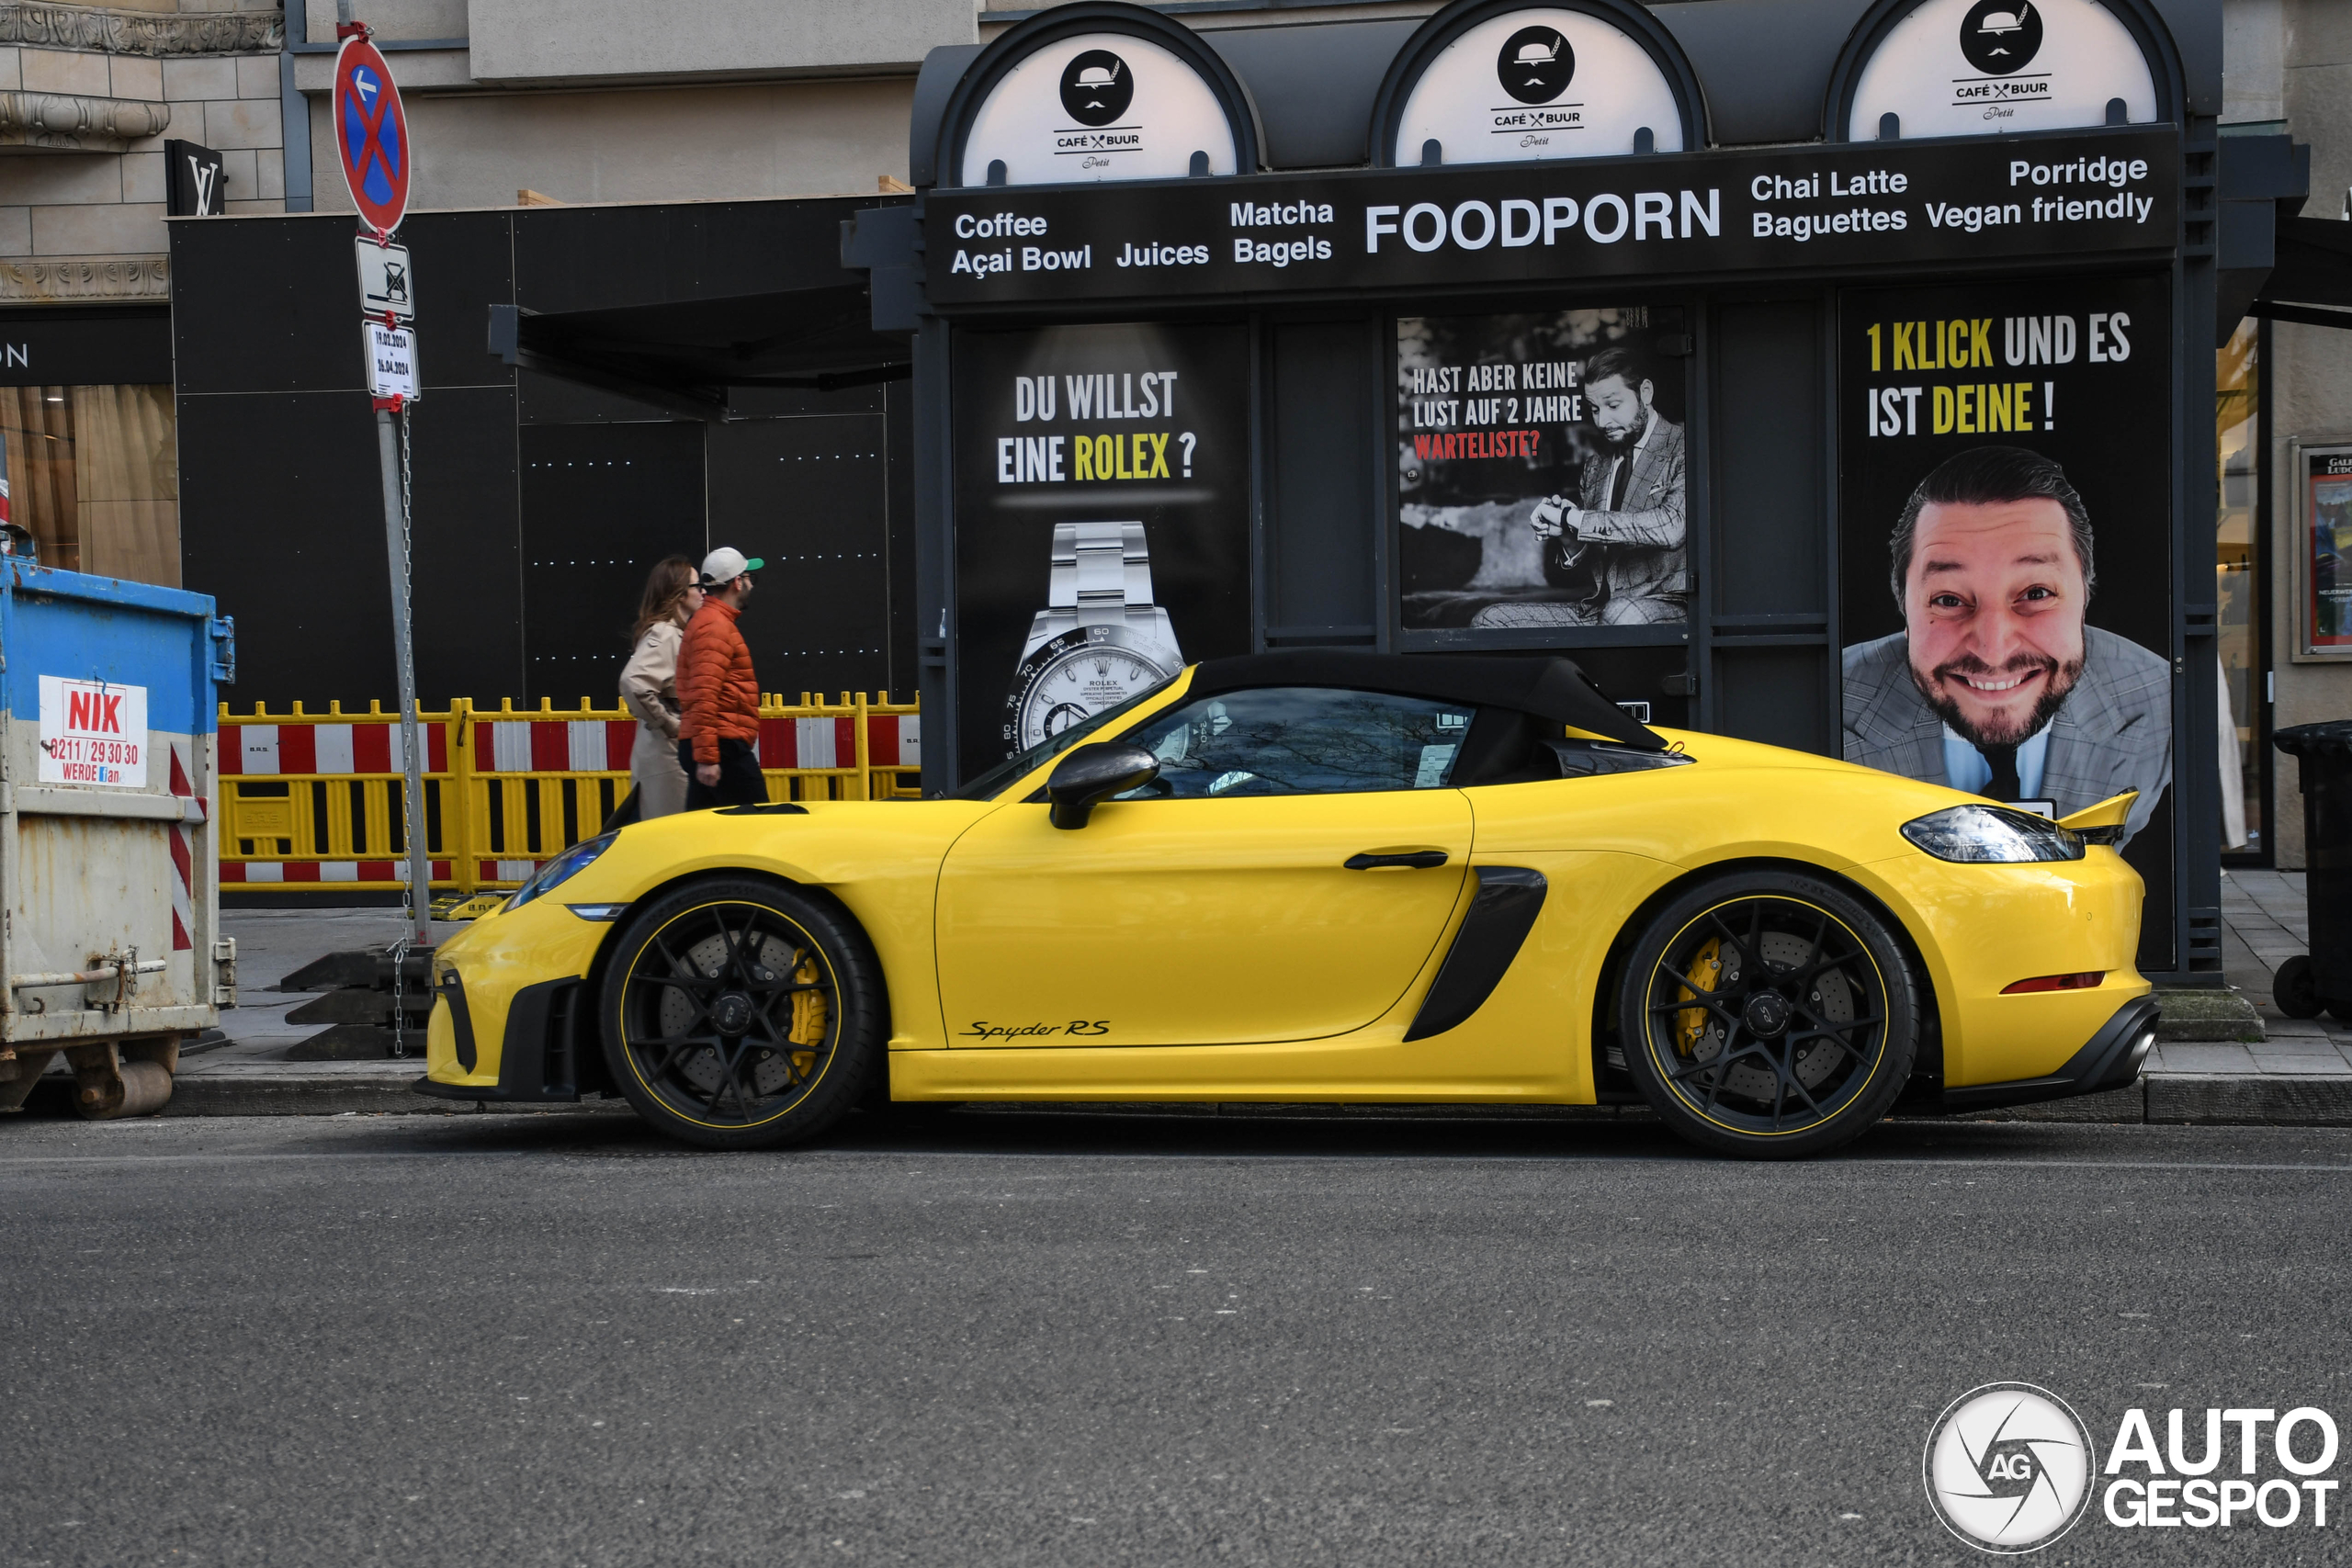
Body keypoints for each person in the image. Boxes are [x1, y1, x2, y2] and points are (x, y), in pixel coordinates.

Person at [1843, 445, 2171, 845]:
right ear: (1904, 611)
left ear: (2084, 599)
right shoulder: (1828, 702)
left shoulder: (2165, 702)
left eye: (2035, 593)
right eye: (1948, 600)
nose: (1993, 651)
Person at [1474, 346, 1688, 627]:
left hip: (1667, 604)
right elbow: (1602, 550)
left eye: (1613, 405)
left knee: (1622, 615)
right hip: (1598, 609)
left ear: (1645, 393)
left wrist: (1573, 518)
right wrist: (1567, 535)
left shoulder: (1683, 445)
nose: (1602, 421)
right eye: (1594, 409)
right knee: (1490, 620)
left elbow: (1672, 527)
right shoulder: (1595, 467)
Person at [677, 545, 766, 810]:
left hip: (715, 744)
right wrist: (708, 758)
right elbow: (704, 694)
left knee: (706, 834)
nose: (751, 584)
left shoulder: (709, 621)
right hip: (722, 747)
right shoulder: (715, 626)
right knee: (757, 823)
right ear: (737, 582)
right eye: (749, 577)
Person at [615, 556, 702, 823]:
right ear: (678, 594)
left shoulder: (674, 633)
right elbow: (634, 683)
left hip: (669, 758)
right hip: (667, 760)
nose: (703, 592)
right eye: (697, 586)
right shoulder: (665, 634)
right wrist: (670, 725)